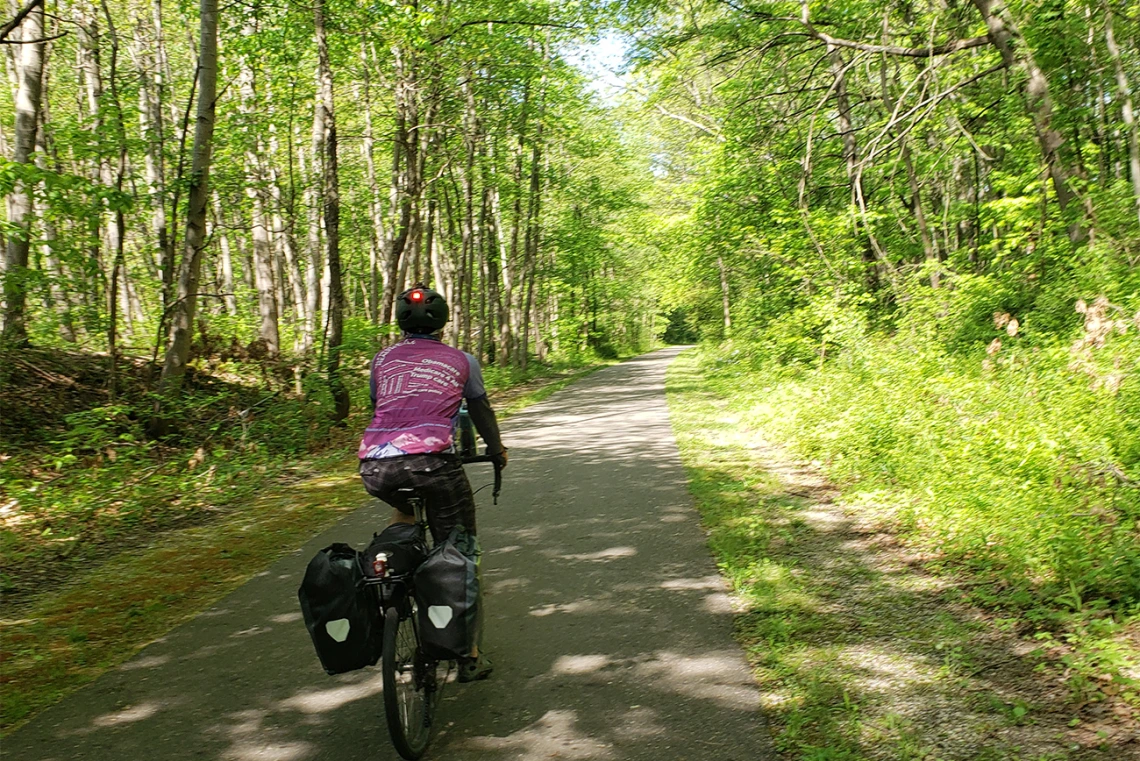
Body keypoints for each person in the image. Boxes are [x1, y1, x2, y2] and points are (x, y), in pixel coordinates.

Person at [358, 283, 507, 682]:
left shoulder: (381, 359)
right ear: (443, 323)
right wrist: (496, 451)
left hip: (376, 467)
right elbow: (479, 409)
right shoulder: (461, 360)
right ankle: (468, 656)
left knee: (403, 511)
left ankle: (388, 574)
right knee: (459, 550)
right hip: (434, 466)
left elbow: (381, 406)